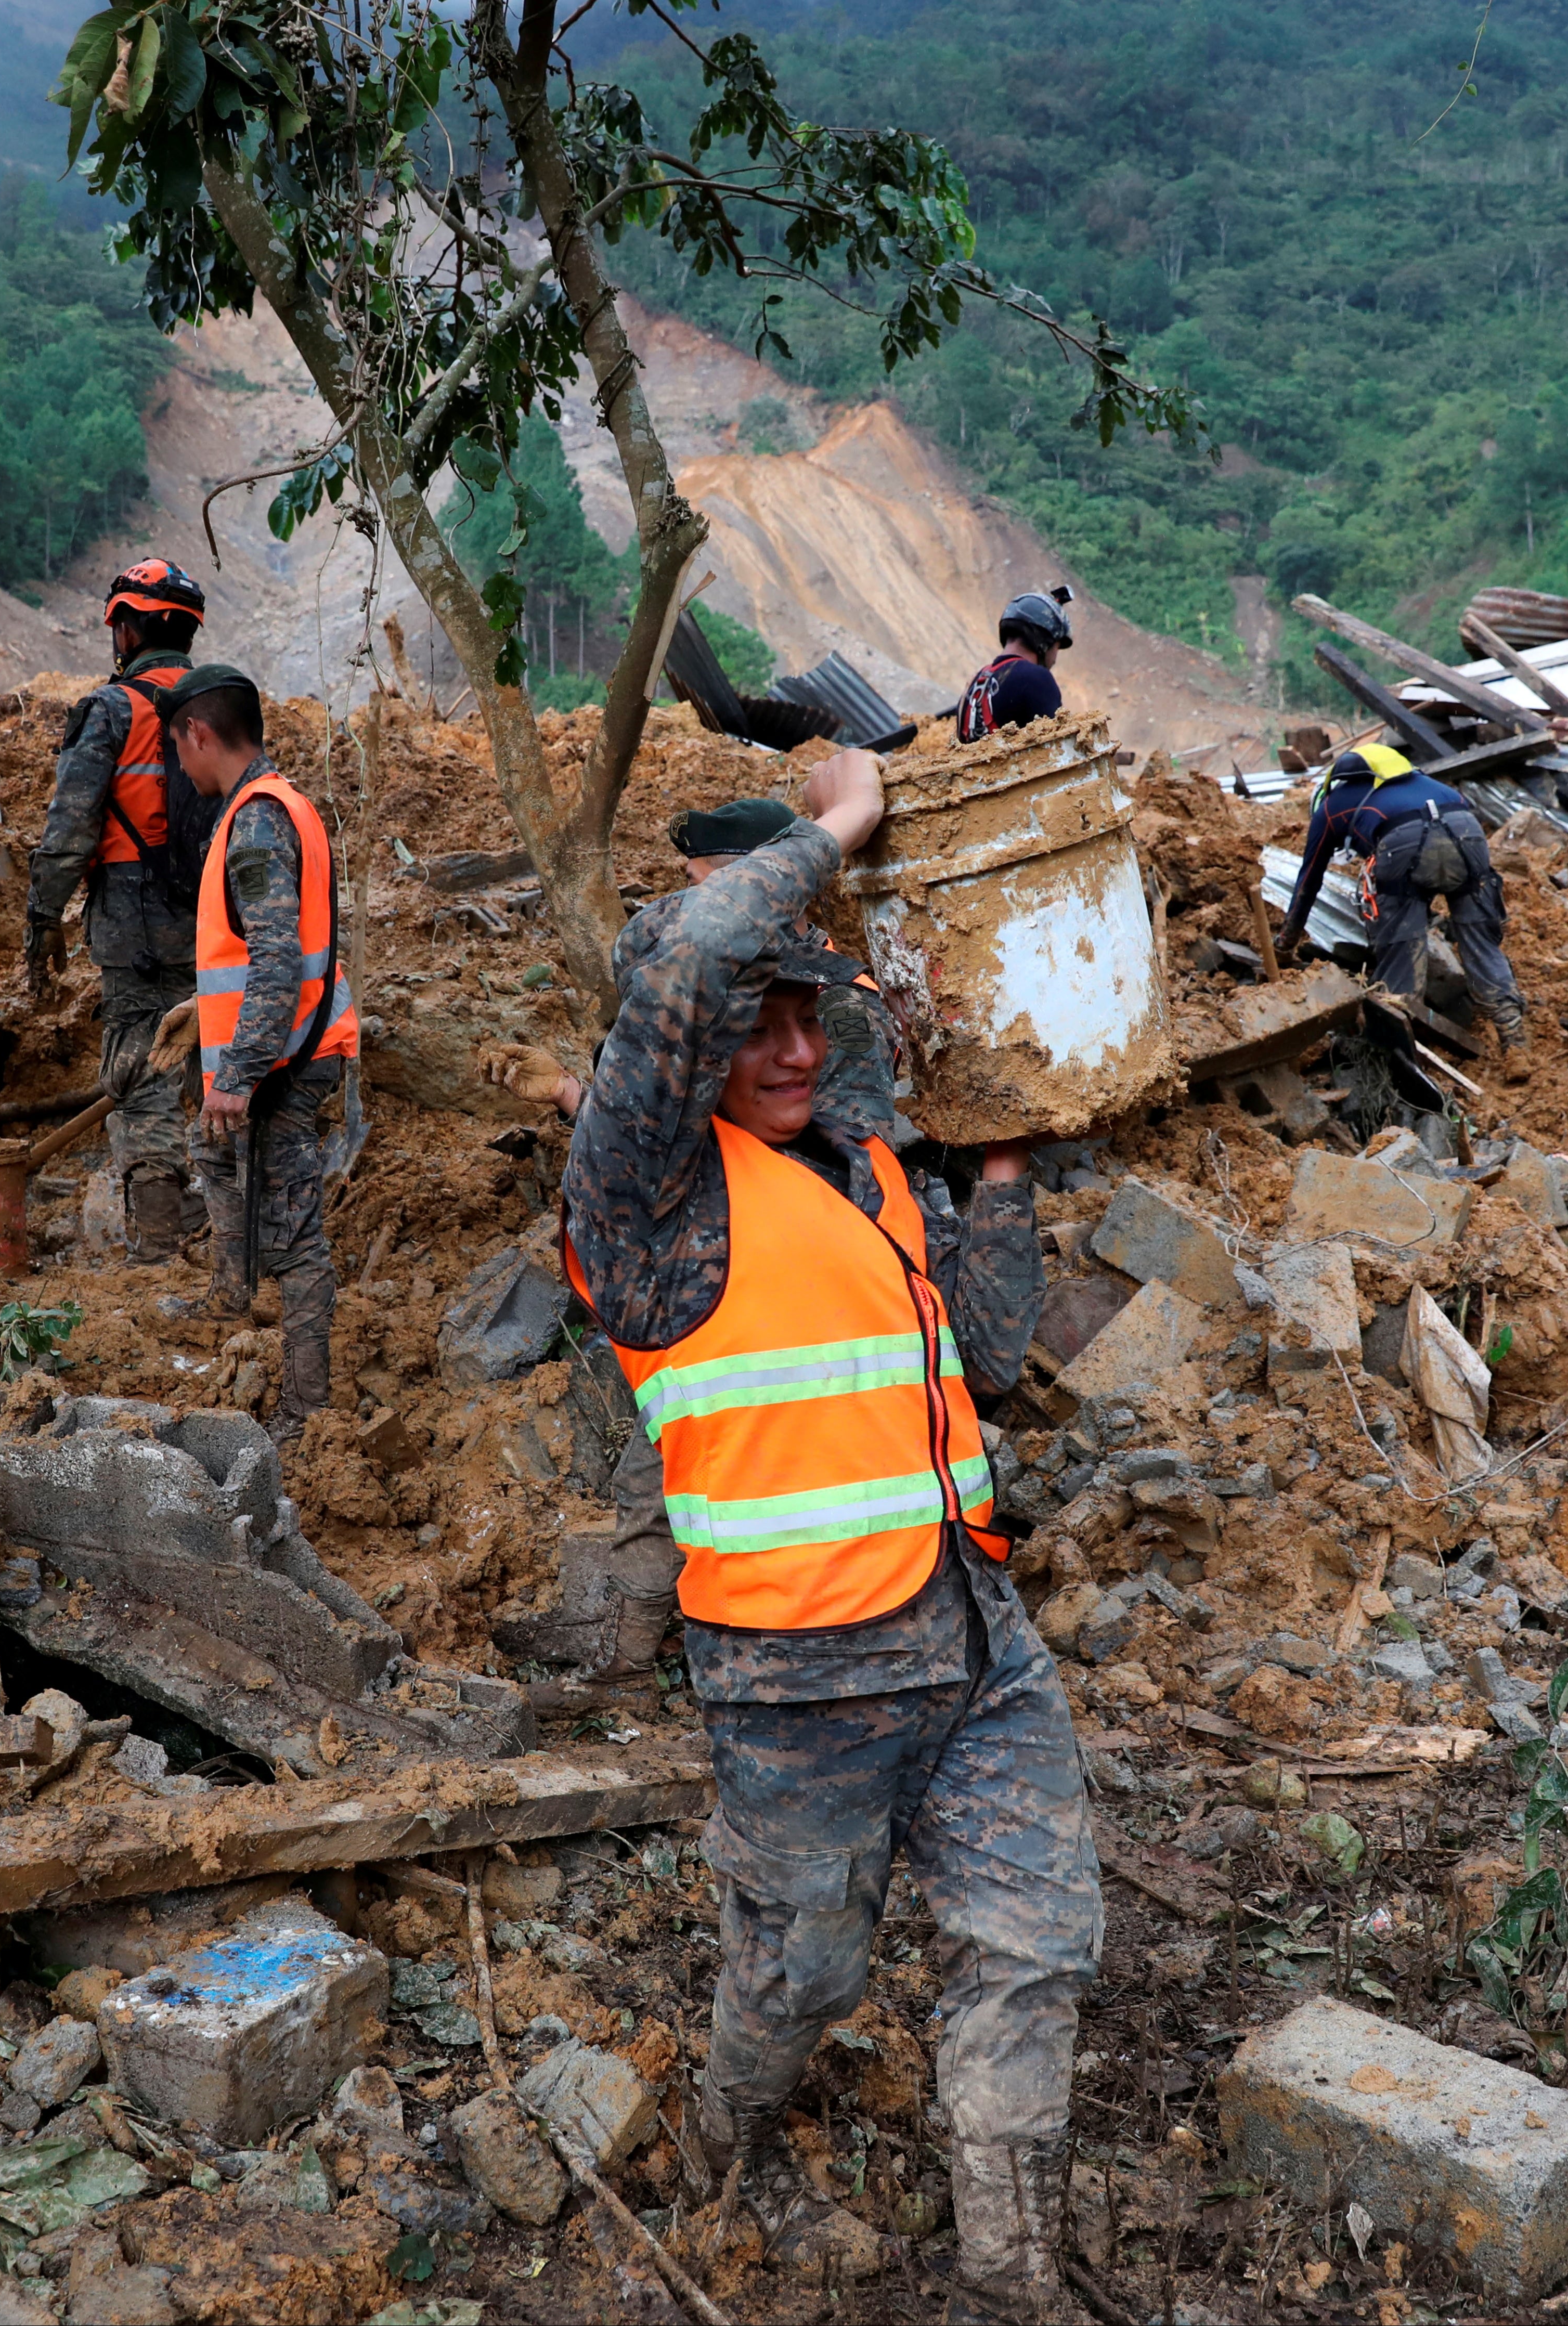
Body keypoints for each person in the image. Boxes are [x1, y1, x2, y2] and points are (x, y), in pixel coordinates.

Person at [558, 751, 1088, 2323]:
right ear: (689, 1047)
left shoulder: (860, 1167)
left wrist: (1000, 1165)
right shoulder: (645, 1198)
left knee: (1038, 1941)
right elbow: (685, 959)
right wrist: (839, 823)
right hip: (798, 1685)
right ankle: (722, 2134)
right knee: (805, 1977)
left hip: (975, 1644)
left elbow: (989, 1355)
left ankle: (1009, 2282)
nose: (792, 1047)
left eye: (809, 1014)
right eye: (756, 1023)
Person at [481, 797, 910, 1700]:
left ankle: (669, 1647)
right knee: (669, 1433)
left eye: (711, 885)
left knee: (723, 1444)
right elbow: (685, 1126)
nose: (690, 906)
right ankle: (635, 1641)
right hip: (719, 1248)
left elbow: (788, 1143)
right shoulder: (764, 993)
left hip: (788, 1268)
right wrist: (578, 1099)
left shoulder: (828, 997)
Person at [162, 665, 361, 1446]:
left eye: (177, 747)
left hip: (288, 1059)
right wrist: (205, 1013)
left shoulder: (255, 821)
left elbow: (277, 958)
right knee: (212, 1151)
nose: (179, 765)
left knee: (296, 1237)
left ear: (199, 734)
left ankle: (307, 1413)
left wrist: (238, 1074)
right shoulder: (274, 805)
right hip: (286, 1042)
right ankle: (229, 1293)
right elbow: (258, 953)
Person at [28, 558, 209, 1261]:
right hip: (216, 922)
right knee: (218, 1065)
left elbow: (69, 830)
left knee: (143, 1075)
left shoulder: (110, 710)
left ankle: (160, 1243)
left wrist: (43, 918)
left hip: (136, 929)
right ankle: (229, 1226)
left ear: (127, 630)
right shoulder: (219, 705)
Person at [1279, 744, 1528, 1052]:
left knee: (1401, 941)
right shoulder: (1429, 784)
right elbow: (1453, 826)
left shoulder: (1329, 808)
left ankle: (1399, 1033)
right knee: (1480, 940)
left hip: (1404, 843)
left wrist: (1286, 942)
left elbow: (1309, 880)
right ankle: (1513, 1033)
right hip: (1468, 832)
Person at [955, 587, 1074, 743]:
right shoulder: (1037, 679)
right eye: (1057, 647)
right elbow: (1061, 747)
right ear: (1046, 642)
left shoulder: (976, 682)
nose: (1055, 658)